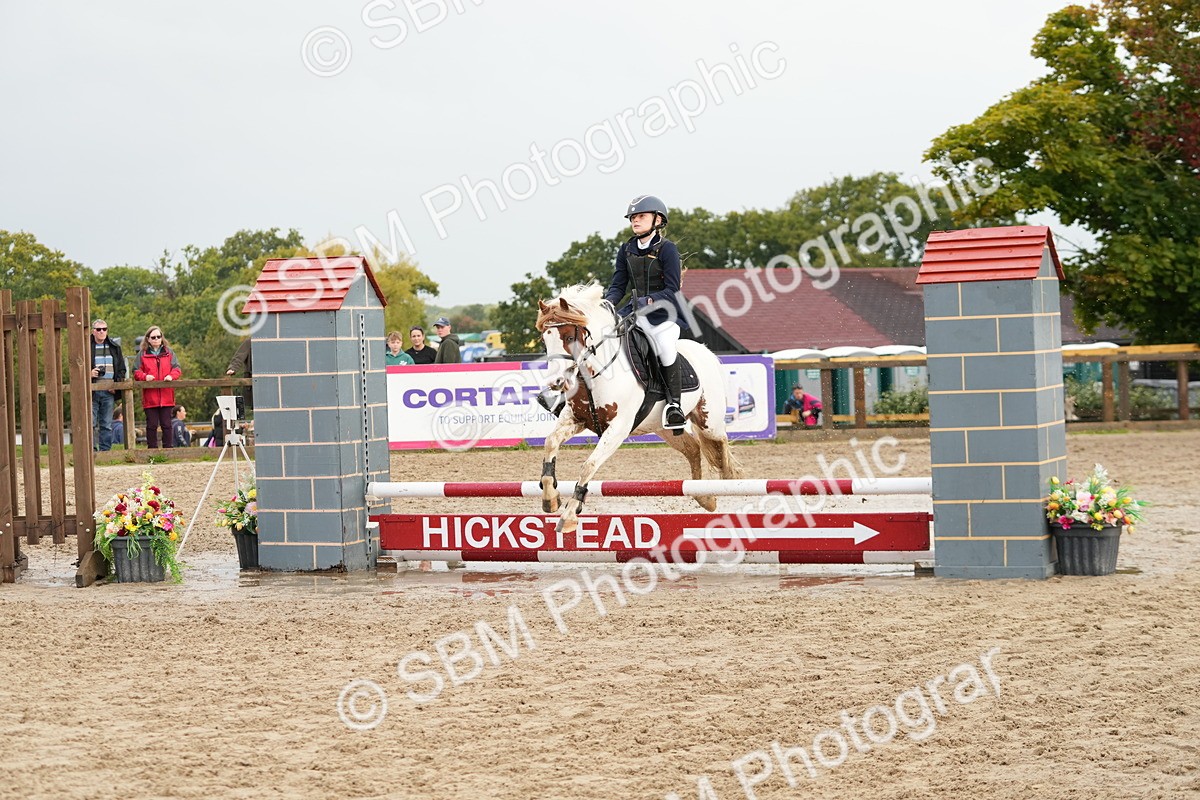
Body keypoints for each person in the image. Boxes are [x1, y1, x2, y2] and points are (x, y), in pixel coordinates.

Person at [604, 194, 689, 429]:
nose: (635, 221)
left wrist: (647, 300)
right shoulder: (626, 249)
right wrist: (607, 304)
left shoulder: (667, 249)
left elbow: (672, 289)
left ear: (658, 219)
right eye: (633, 217)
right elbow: (618, 285)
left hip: (664, 314)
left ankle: (674, 406)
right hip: (633, 312)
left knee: (664, 346)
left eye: (641, 216)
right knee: (605, 336)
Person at [133, 326, 182, 448]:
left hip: (166, 395)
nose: (156, 339)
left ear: (162, 338)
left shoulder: (169, 352)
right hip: (150, 397)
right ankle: (152, 450)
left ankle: (168, 449)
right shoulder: (142, 354)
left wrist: (171, 376)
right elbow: (136, 371)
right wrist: (145, 377)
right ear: (148, 339)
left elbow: (177, 369)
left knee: (167, 424)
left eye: (158, 337)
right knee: (151, 425)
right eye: (153, 337)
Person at [89, 319, 126, 451]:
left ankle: (105, 451)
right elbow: (76, 367)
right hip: (91, 390)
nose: (102, 332)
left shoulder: (114, 347)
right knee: (90, 422)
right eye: (99, 329)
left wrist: (115, 384)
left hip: (109, 390)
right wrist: (89, 373)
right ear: (93, 331)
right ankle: (91, 450)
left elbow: (122, 369)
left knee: (106, 423)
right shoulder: (85, 347)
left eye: (104, 329)